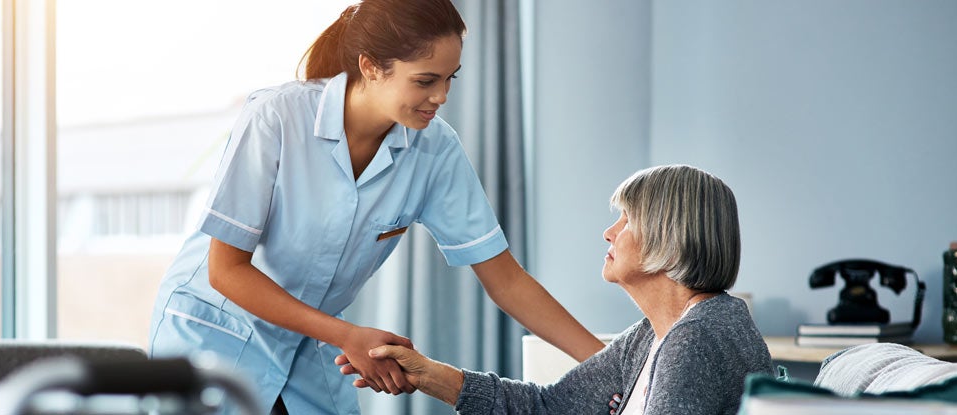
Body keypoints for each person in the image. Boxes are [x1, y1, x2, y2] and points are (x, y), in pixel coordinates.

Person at [146, 1, 602, 413]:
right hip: (216, 332)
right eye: (426, 80)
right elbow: (226, 271)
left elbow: (506, 280)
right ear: (370, 67)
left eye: (450, 79)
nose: (442, 97)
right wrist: (347, 336)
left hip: (313, 344)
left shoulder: (435, 149)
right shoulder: (277, 118)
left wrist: (612, 367)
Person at [339, 164, 776, 415]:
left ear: (670, 234)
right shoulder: (652, 336)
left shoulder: (695, 338)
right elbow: (551, 408)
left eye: (626, 220)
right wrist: (426, 374)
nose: (609, 232)